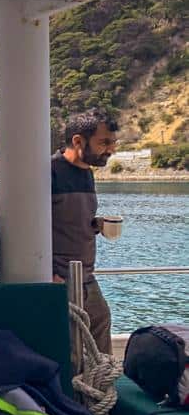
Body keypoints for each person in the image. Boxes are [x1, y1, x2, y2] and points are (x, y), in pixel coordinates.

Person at [51, 109, 119, 354]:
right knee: (71, 348)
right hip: (60, 279)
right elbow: (30, 225)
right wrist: (47, 272)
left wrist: (95, 224)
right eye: (104, 142)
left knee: (101, 321)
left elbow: (67, 216)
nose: (111, 149)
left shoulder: (87, 173)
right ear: (78, 141)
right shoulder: (48, 172)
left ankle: (101, 389)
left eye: (113, 143)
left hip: (86, 276)